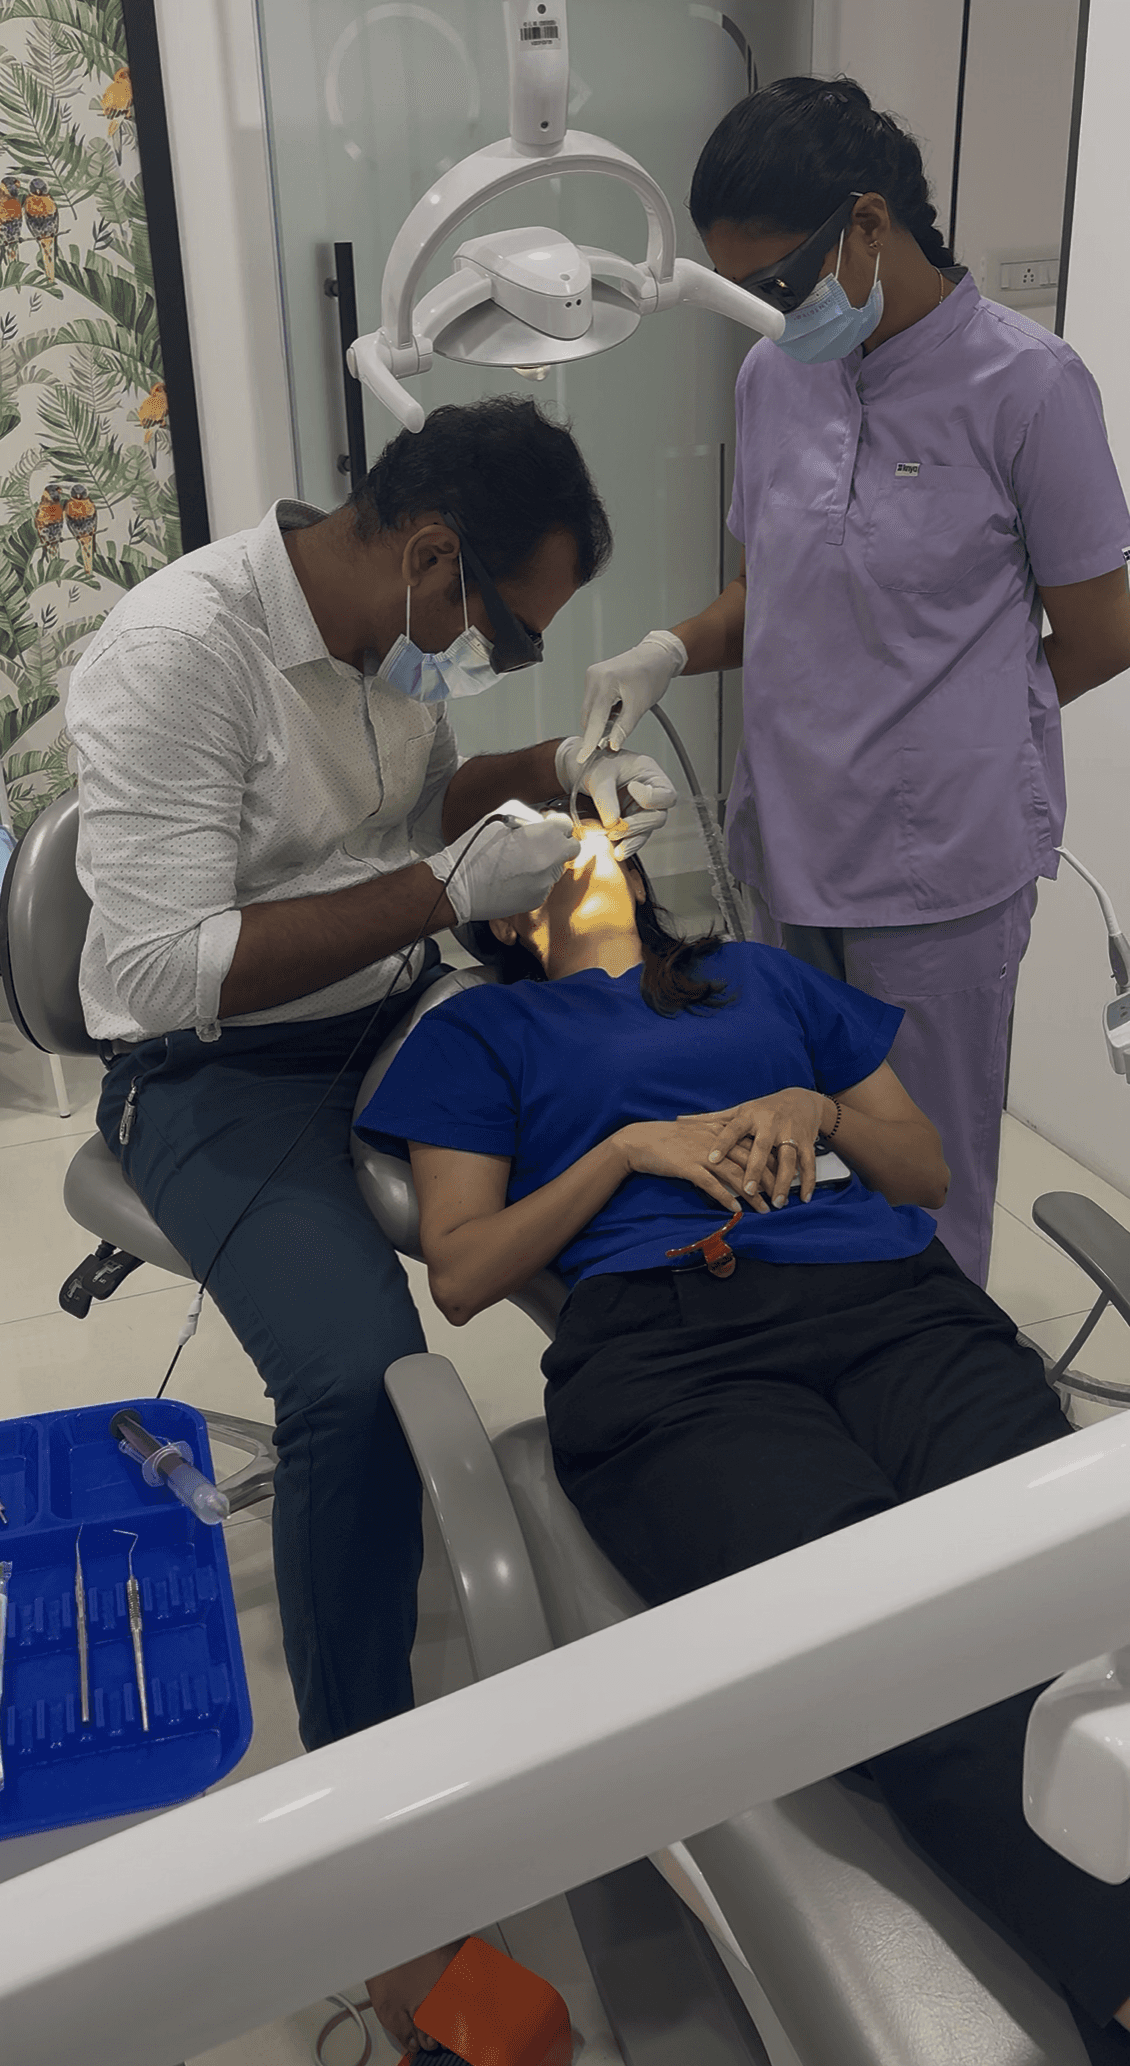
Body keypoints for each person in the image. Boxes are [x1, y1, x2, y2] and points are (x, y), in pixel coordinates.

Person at [356, 818, 1130, 2063]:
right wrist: (624, 1149)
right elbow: (462, 1268)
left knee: (1069, 1598)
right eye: (545, 842)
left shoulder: (761, 978)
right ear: (505, 916)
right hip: (674, 1356)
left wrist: (816, 1104)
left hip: (896, 1304)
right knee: (895, 1642)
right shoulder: (484, 1032)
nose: (584, 830)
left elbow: (923, 1169)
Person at [67, 396, 681, 1770]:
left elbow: (420, 816)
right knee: (356, 1380)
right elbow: (165, 970)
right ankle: (367, 1788)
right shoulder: (181, 654)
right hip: (218, 1062)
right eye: (511, 630)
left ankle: (697, 1523)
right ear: (431, 553)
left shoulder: (390, 643)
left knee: (652, 1181)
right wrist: (437, 892)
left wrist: (558, 773)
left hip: (402, 1005)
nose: (505, 654)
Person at [574, 75, 1130, 1292]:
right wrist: (665, 647)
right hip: (790, 837)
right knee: (794, 1146)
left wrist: (972, 716)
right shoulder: (778, 378)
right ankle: (825, 1371)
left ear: (869, 225)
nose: (771, 314)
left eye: (779, 282)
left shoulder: (1029, 389)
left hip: (939, 872)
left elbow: (1101, 625)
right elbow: (774, 590)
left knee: (924, 1175)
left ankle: (943, 1411)